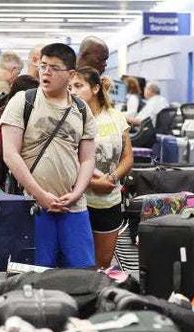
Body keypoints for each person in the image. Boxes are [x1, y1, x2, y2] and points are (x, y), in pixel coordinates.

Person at [1, 43, 97, 268]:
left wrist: (76, 193)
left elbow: (88, 159)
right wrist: (40, 194)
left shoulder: (82, 110)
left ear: (71, 74)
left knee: (82, 276)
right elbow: (10, 154)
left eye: (54, 68)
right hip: (32, 206)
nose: (46, 72)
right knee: (36, 277)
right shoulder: (24, 101)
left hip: (73, 208)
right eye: (43, 66)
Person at [71, 67, 133, 269]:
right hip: (79, 201)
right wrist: (91, 182)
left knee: (103, 264)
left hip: (110, 200)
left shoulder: (116, 117)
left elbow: (127, 156)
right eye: (70, 87)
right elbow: (67, 160)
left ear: (96, 88)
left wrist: (112, 178)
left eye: (78, 86)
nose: (72, 91)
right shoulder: (71, 119)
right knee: (80, 264)